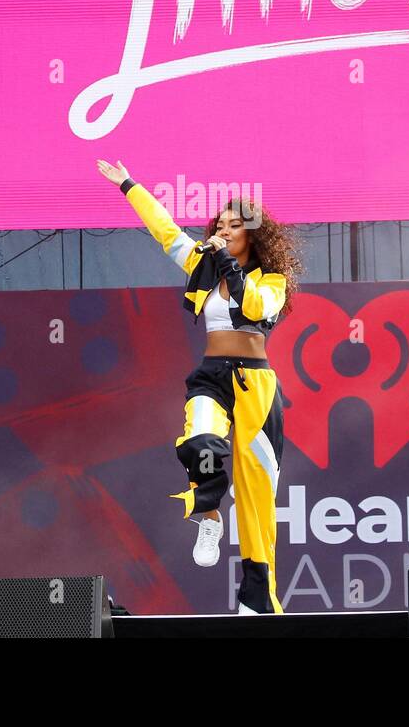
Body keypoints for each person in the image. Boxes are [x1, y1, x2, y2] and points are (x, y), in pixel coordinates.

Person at [97, 159, 301, 614]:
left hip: (256, 386)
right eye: (221, 224)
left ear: (254, 235)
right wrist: (129, 185)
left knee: (255, 496)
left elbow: (253, 306)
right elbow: (165, 231)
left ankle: (258, 602)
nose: (225, 230)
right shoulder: (202, 264)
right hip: (212, 374)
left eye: (235, 225)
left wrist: (224, 259)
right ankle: (208, 515)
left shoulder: (272, 281)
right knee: (199, 440)